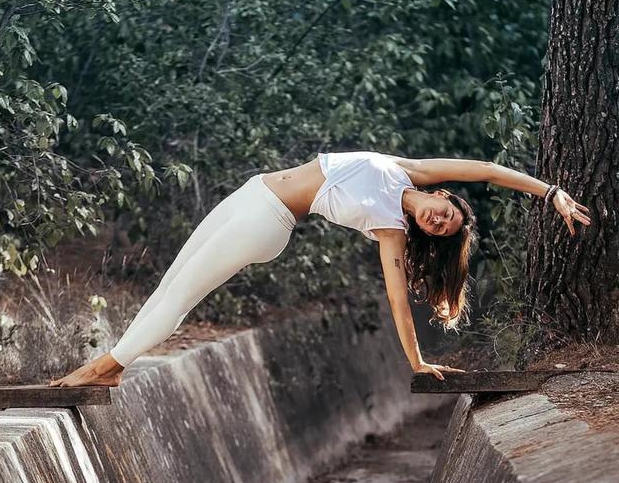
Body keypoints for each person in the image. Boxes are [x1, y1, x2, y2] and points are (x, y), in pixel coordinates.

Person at [48, 150, 590, 388]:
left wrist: (418, 362)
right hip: (251, 192)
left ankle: (99, 368)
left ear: (427, 234)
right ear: (442, 196)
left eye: (440, 229)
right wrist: (552, 192)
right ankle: (119, 363)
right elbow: (490, 172)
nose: (438, 220)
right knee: (171, 281)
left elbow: (397, 299)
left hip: (268, 221)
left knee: (180, 297)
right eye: (444, 213)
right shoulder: (412, 170)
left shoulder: (389, 229)